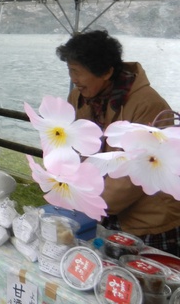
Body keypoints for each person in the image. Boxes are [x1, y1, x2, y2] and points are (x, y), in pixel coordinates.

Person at [56, 29, 180, 256]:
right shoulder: (79, 96)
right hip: (103, 208)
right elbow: (76, 147)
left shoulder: (148, 104)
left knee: (142, 284)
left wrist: (87, 205)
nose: (74, 80)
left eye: (77, 72)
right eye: (69, 70)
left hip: (148, 219)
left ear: (106, 72)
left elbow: (131, 175)